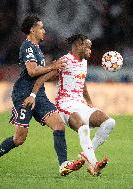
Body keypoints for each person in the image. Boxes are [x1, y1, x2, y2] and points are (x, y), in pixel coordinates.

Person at [0, 16, 84, 176]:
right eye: (41, 28)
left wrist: (59, 71)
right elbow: (32, 71)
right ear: (32, 30)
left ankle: (63, 164)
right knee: (19, 139)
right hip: (24, 96)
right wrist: (52, 66)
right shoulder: (27, 47)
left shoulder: (37, 49)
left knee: (59, 125)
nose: (44, 31)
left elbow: (41, 74)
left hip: (38, 95)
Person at [23, 34, 116, 176]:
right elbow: (42, 78)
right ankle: (93, 164)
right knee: (83, 127)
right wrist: (33, 95)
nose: (91, 51)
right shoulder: (65, 60)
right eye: (88, 47)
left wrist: (89, 102)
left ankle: (85, 154)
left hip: (80, 104)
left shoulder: (83, 62)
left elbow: (82, 83)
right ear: (78, 45)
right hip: (64, 105)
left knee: (109, 122)